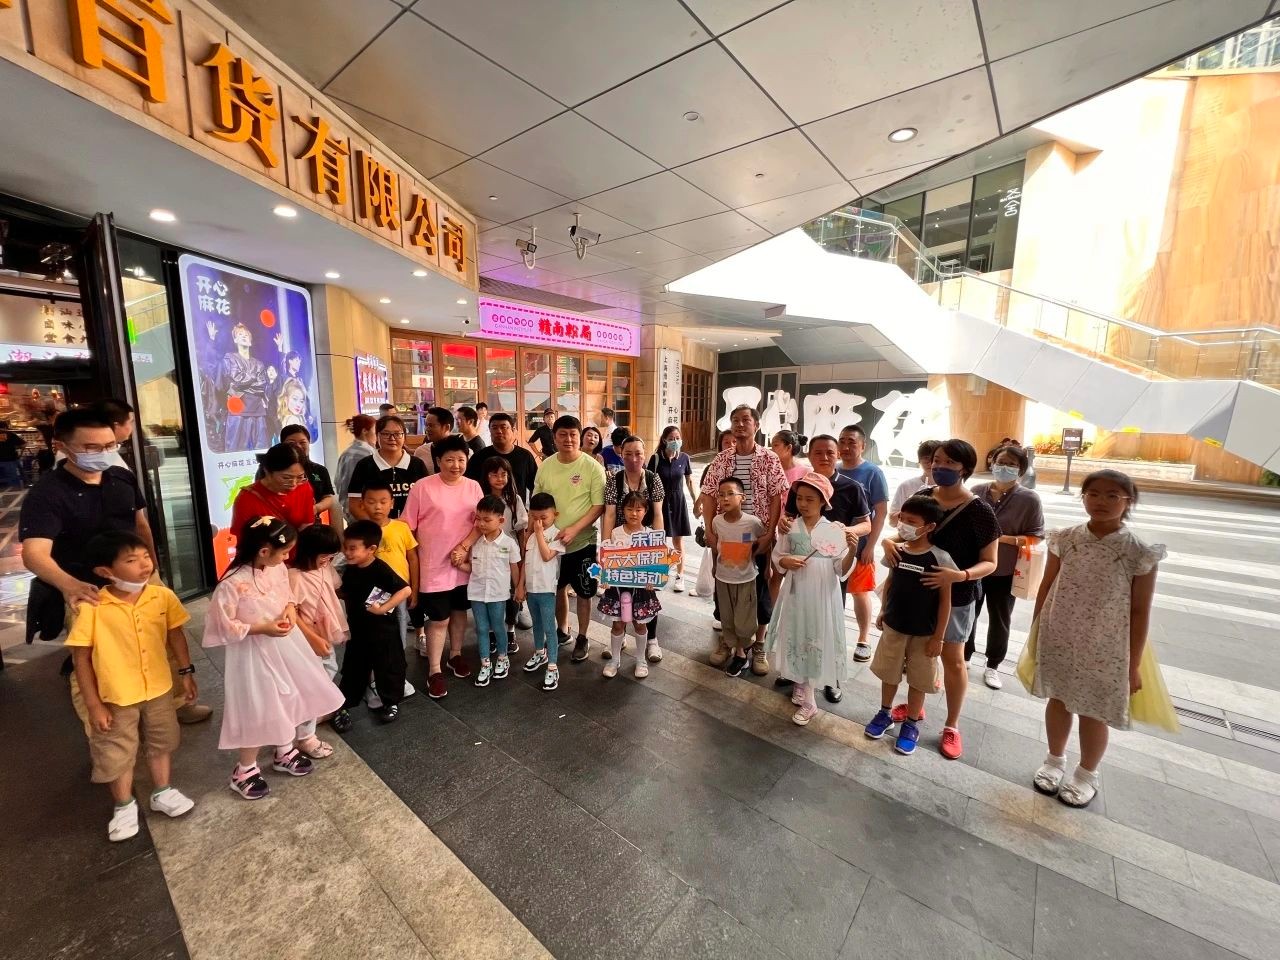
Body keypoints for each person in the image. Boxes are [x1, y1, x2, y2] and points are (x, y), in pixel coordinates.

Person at [21, 409, 212, 726]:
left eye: (110, 445)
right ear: (62, 446)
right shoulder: (48, 493)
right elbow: (34, 553)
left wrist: (153, 568)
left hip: (141, 582)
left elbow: (141, 524)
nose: (104, 453)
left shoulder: (121, 477)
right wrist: (70, 585)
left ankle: (177, 703)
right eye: (91, 448)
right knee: (97, 661)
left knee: (161, 642)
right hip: (89, 590)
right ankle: (106, 731)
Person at [1030, 470, 1163, 808]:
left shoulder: (1139, 552)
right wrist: (1036, 630)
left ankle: (1087, 773)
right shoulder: (1065, 538)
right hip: (1060, 633)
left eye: (1112, 495)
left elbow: (1140, 611)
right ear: (1084, 497)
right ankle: (1054, 759)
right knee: (1058, 699)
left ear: (1127, 501)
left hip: (1108, 645)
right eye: (1093, 494)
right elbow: (1047, 585)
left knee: (1094, 711)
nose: (1101, 501)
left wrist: (1133, 664)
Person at [67, 530, 197, 841]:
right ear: (105, 571)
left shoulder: (162, 596)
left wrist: (186, 672)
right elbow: (81, 659)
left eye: (146, 556)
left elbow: (175, 635)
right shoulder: (91, 607)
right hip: (115, 695)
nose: (144, 564)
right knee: (117, 750)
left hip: (159, 688)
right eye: (131, 560)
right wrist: (94, 704)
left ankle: (162, 791)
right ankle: (124, 806)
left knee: (162, 740)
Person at [203, 516, 344, 800]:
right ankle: (245, 769)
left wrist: (289, 611)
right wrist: (261, 628)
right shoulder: (232, 583)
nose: (287, 558)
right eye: (284, 552)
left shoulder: (276, 568)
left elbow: (287, 597)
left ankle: (285, 749)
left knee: (290, 695)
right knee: (257, 706)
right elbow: (223, 626)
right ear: (264, 551)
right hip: (252, 654)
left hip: (286, 644)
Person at [882, 439, 999, 760]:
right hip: (915, 594)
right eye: (936, 460)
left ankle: (952, 725)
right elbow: (907, 533)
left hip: (957, 596)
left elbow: (991, 562)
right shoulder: (922, 496)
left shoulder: (980, 510)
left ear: (965, 469)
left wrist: (959, 575)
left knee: (952, 659)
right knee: (915, 654)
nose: (939, 467)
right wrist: (889, 543)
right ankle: (915, 707)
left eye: (949, 462)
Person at [773, 435, 874, 700]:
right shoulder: (799, 485)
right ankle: (796, 670)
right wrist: (784, 525)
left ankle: (830, 676)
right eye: (817, 452)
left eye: (829, 452)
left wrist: (843, 535)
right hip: (801, 570)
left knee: (827, 621)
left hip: (830, 566)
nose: (824, 457)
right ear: (809, 454)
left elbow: (866, 524)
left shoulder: (852, 487)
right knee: (798, 621)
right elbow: (788, 522)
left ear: (837, 453)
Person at [698, 405, 788, 676]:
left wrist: (769, 533)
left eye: (745, 420)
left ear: (756, 425)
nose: (739, 425)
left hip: (757, 536)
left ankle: (758, 645)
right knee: (726, 589)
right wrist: (710, 531)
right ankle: (729, 641)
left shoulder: (769, 458)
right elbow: (708, 495)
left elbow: (776, 496)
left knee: (758, 593)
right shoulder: (722, 458)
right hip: (727, 536)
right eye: (735, 420)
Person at [864, 496, 954, 756]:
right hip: (894, 626)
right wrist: (883, 610)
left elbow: (945, 601)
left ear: (929, 526)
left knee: (919, 680)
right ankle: (885, 713)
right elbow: (890, 582)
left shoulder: (940, 558)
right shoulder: (896, 551)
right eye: (902, 519)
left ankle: (911, 724)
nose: (903, 525)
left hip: (925, 633)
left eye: (911, 521)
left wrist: (938, 637)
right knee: (889, 673)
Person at [765, 473, 855, 726]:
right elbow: (778, 556)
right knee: (797, 633)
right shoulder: (790, 527)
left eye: (810, 499)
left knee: (816, 636)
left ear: (824, 501)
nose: (803, 504)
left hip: (823, 593)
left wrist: (853, 550)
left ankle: (810, 701)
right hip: (797, 590)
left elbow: (840, 568)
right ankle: (800, 683)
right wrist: (786, 561)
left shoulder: (833, 531)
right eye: (800, 498)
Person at [401, 435, 482, 698]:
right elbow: (407, 526)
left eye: (461, 459)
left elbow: (480, 523)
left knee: (459, 612)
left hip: (463, 564)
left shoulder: (473, 487)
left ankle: (455, 655)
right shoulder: (422, 487)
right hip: (433, 565)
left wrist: (464, 547)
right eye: (449, 460)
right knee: (438, 619)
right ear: (438, 461)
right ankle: (434, 670)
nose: (456, 465)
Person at [967, 444, 1044, 689]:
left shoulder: (1029, 499)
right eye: (1001, 462)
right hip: (975, 566)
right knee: (968, 613)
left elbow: (1036, 537)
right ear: (992, 463)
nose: (1004, 467)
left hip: (1005, 570)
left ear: (1021, 470)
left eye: (1012, 464)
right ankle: (964, 656)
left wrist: (1000, 538)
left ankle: (993, 665)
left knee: (1000, 619)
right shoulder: (976, 491)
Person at [532, 415, 605, 663]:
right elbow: (537, 503)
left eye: (573, 434)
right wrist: (537, 533)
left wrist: (574, 529)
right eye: (562, 434)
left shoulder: (592, 467)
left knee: (584, 591)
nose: (568, 439)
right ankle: (562, 630)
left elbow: (598, 506)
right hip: (552, 544)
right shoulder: (546, 466)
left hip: (583, 541)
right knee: (557, 587)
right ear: (554, 437)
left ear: (579, 436)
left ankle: (583, 636)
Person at [333, 520, 412, 729]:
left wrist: (383, 608)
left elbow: (405, 590)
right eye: (345, 547)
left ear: (371, 549)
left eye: (353, 548)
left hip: (383, 631)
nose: (347, 553)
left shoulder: (380, 569)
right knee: (353, 669)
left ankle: (391, 702)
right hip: (358, 629)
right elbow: (347, 591)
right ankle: (345, 705)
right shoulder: (351, 569)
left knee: (388, 666)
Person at [602, 435, 665, 661]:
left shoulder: (653, 479)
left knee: (646, 593)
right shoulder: (614, 480)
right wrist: (607, 549)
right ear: (621, 455)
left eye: (638, 453)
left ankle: (652, 640)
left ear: (644, 454)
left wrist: (657, 549)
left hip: (645, 541)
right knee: (621, 590)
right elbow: (610, 514)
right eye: (628, 454)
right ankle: (619, 636)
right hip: (620, 541)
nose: (633, 458)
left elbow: (657, 514)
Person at [837, 424, 889, 663]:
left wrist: (870, 546)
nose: (846, 447)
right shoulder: (834, 469)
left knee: (859, 592)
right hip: (833, 545)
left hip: (861, 544)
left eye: (852, 442)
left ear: (863, 446)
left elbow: (881, 511)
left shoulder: (872, 472)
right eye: (842, 441)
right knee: (835, 592)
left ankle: (863, 638)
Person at [598, 491, 663, 680]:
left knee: (640, 625)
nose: (634, 513)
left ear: (646, 511)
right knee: (618, 624)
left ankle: (641, 660)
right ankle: (615, 660)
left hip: (641, 591)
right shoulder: (615, 533)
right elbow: (607, 559)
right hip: (618, 590)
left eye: (638, 509)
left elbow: (656, 563)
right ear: (623, 510)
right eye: (629, 509)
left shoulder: (650, 535)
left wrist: (653, 580)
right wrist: (605, 577)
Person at [461, 495, 521, 687]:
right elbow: (472, 567)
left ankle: (503, 657)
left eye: (487, 520)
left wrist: (519, 589)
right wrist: (459, 564)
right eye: (478, 519)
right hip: (477, 592)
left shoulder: (509, 543)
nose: (481, 524)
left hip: (498, 594)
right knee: (481, 628)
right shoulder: (475, 542)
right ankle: (485, 663)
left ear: (501, 520)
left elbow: (514, 568)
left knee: (498, 626)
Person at [712, 477, 764, 678]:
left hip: (746, 580)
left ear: (742, 497)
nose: (725, 498)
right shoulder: (717, 522)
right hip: (723, 579)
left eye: (730, 494)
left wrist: (766, 567)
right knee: (727, 618)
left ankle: (744, 651)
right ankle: (738, 653)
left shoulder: (752, 523)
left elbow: (765, 542)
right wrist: (714, 566)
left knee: (745, 621)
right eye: (721, 495)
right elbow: (716, 547)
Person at [288, 524, 348, 691]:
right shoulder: (295, 577)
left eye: (332, 556)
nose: (328, 560)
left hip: (326, 629)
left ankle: (322, 699)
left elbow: (335, 589)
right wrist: (311, 636)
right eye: (324, 556)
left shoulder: (326, 568)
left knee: (329, 665)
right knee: (318, 669)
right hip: (308, 631)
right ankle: (318, 700)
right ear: (309, 552)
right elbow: (292, 610)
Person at [516, 492, 565, 691]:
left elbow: (547, 556)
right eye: (534, 517)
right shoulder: (530, 537)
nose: (539, 522)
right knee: (536, 623)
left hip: (546, 589)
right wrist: (520, 585)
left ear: (555, 514)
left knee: (549, 627)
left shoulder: (557, 535)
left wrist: (537, 533)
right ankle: (539, 652)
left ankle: (553, 665)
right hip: (532, 588)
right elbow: (525, 563)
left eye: (543, 518)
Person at [481, 456, 528, 654]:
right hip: (488, 553)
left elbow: (521, 530)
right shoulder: (482, 499)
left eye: (503, 474)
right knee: (491, 593)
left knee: (512, 592)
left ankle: (510, 630)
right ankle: (492, 631)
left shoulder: (514, 499)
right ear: (486, 477)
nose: (500, 479)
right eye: (494, 474)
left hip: (510, 553)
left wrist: (523, 553)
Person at [361, 481, 419, 642]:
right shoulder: (360, 531)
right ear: (362, 504)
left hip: (399, 588)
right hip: (373, 589)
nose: (377, 507)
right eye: (371, 502)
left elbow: (413, 558)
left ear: (392, 503)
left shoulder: (401, 528)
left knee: (399, 623)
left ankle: (399, 655)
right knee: (376, 627)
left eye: (383, 501)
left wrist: (414, 589)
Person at [346, 415, 427, 521]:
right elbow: (354, 505)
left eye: (397, 434)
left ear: (404, 436)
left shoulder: (417, 464)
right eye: (386, 434)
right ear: (377, 435)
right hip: (376, 528)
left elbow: (426, 502)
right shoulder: (365, 465)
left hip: (410, 528)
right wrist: (380, 527)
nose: (392, 438)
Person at [230, 442, 314, 544]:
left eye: (300, 477)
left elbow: (307, 525)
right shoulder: (246, 498)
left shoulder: (303, 487)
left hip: (298, 552)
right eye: (286, 478)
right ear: (267, 471)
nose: (294, 484)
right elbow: (244, 542)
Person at [651, 425, 695, 593]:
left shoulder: (684, 458)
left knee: (678, 541)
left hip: (678, 502)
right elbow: (648, 480)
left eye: (677, 438)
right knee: (659, 540)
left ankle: (680, 575)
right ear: (664, 440)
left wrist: (696, 501)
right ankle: (659, 574)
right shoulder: (656, 458)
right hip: (659, 503)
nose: (675, 441)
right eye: (671, 439)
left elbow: (689, 481)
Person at [465, 412, 538, 501]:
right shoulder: (479, 457)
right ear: (490, 431)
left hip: (516, 507)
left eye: (503, 427)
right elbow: (468, 486)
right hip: (487, 508)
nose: (499, 431)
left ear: (513, 430)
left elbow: (535, 486)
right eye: (494, 428)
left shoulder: (525, 457)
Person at [276, 424, 335, 522]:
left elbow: (328, 497)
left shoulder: (320, 470)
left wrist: (316, 508)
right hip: (282, 524)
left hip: (312, 523)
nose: (298, 446)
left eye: (302, 442)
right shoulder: (273, 470)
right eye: (291, 442)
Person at [335, 414, 377, 523]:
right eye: (374, 430)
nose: (376, 435)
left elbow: (338, 483)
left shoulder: (346, 453)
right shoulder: (367, 454)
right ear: (365, 431)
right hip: (365, 511)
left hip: (350, 511)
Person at [889, 439, 941, 525]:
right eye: (926, 458)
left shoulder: (948, 489)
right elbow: (892, 522)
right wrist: (913, 504)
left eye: (935, 459)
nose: (930, 463)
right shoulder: (906, 486)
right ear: (919, 461)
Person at [415, 406, 455, 473]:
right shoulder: (421, 452)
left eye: (431, 425)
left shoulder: (463, 452)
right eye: (426, 425)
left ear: (446, 427)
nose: (427, 429)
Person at [0, 421, 23, 487]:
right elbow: (23, 445)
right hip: (10, 459)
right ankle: (15, 489)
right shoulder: (10, 434)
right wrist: (15, 447)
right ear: (5, 427)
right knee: (12, 477)